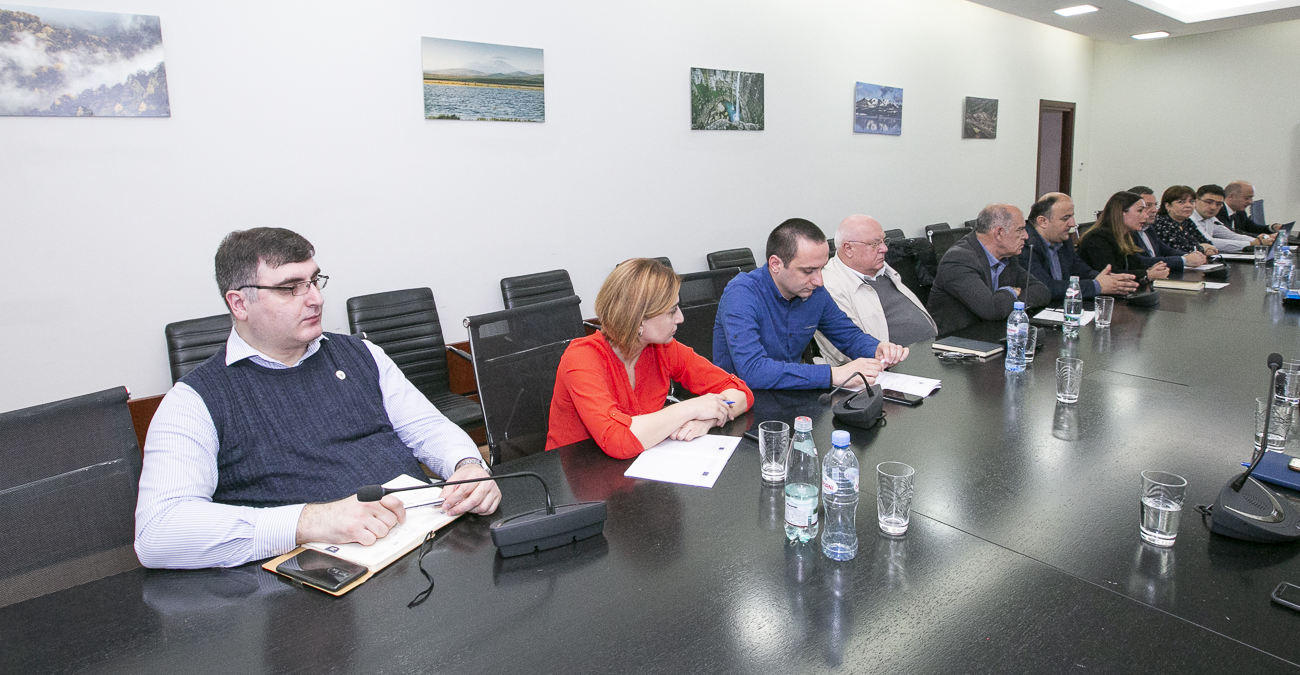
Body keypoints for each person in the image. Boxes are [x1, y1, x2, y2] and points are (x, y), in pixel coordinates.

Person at [134, 228, 500, 569]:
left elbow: (427, 428)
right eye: (290, 288)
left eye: (313, 281)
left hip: (428, 546)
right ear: (239, 303)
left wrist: (467, 465)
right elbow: (158, 532)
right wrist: (311, 521)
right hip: (318, 583)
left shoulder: (362, 355)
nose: (316, 299)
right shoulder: (193, 402)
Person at [546, 259, 754, 460]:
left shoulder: (662, 348)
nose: (680, 318)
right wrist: (692, 408)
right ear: (638, 319)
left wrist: (707, 421)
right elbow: (617, 439)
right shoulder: (582, 358)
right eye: (671, 311)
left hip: (639, 463)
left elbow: (741, 392)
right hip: (574, 472)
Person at [713, 218, 909, 390]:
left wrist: (877, 349)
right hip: (739, 402)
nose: (819, 281)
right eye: (808, 271)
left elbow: (848, 336)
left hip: (791, 394)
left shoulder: (814, 292)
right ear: (775, 264)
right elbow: (753, 371)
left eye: (821, 269)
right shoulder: (741, 294)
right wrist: (833, 375)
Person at [814, 215, 936, 366]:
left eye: (884, 241)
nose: (884, 249)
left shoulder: (881, 269)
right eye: (875, 243)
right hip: (890, 368)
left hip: (931, 351)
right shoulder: (828, 286)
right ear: (848, 248)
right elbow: (845, 349)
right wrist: (880, 352)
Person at [926, 203, 1050, 335]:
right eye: (1020, 230)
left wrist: (1012, 303)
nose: (1026, 236)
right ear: (999, 233)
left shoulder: (1007, 256)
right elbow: (992, 310)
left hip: (991, 334)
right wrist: (1011, 292)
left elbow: (1041, 291)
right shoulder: (958, 260)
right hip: (956, 340)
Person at [1019, 192, 1138, 300]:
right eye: (1066, 218)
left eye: (1072, 216)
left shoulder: (1063, 240)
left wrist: (1108, 280)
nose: (1073, 223)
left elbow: (1081, 270)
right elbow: (1045, 287)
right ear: (1043, 221)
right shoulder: (1025, 244)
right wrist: (1097, 286)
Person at [1078, 191, 1169, 282]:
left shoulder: (1126, 236)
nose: (1146, 216)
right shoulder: (1097, 238)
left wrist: (1152, 270)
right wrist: (1147, 274)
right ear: (1121, 212)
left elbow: (1135, 266)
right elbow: (1110, 274)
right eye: (1140, 211)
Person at [1128, 185, 1206, 272]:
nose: (1154, 210)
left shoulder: (1148, 229)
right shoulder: (1128, 232)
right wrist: (1184, 260)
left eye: (1155, 205)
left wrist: (1189, 255)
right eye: (1148, 206)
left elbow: (1166, 250)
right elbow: (1141, 261)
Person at [1188, 184, 1271, 253]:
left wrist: (1257, 241)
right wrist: (1251, 243)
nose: (1213, 207)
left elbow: (1230, 235)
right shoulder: (1189, 218)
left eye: (1218, 204)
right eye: (1209, 202)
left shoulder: (1210, 218)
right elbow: (1210, 241)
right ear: (1196, 201)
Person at [1149, 185, 1219, 256]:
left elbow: (1206, 242)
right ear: (1168, 206)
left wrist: (1208, 249)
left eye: (1191, 202)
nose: (1188, 205)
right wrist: (1202, 248)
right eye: (1181, 202)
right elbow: (1175, 249)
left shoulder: (1187, 222)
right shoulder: (1160, 223)